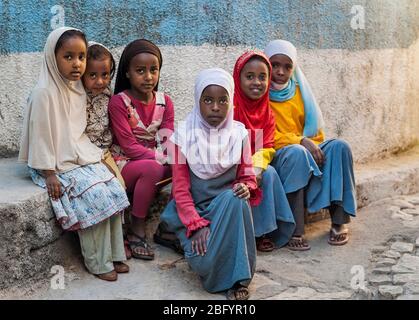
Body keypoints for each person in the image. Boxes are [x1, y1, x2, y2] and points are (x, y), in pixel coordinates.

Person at [18, 27, 130, 281]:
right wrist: (49, 173)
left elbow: (76, 132)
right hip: (51, 163)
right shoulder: (44, 93)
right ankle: (97, 261)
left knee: (112, 185)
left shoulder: (76, 88)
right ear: (52, 58)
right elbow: (41, 137)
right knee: (93, 195)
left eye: (81, 57)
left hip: (75, 154)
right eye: (68, 57)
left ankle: (115, 254)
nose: (77, 63)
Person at [160, 68, 258, 300]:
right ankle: (179, 237)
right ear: (198, 101)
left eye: (223, 100)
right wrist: (196, 225)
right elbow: (181, 190)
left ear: (231, 102)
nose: (216, 107)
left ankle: (239, 280)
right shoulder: (182, 136)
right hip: (194, 215)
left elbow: (247, 176)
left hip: (228, 213)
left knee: (236, 198)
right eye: (208, 100)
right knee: (203, 264)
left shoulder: (239, 134)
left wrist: (247, 186)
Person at [264, 39, 357, 250]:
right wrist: (300, 141)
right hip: (278, 154)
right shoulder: (259, 92)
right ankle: (295, 230)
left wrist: (309, 143)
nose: (280, 71)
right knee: (297, 153)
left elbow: (315, 133)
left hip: (303, 149)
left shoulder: (300, 91)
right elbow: (265, 135)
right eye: (274, 65)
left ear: (294, 68)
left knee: (339, 147)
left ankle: (339, 222)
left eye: (287, 66)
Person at [109, 39, 174, 260]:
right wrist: (161, 158)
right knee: (154, 168)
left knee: (185, 165)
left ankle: (171, 227)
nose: (148, 77)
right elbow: (129, 146)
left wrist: (173, 156)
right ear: (127, 72)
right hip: (122, 164)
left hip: (152, 161)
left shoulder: (165, 102)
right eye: (140, 71)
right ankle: (137, 227)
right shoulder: (119, 102)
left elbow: (167, 138)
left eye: (153, 70)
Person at [233, 51, 295, 252]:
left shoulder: (267, 112)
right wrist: (245, 167)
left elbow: (267, 145)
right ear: (238, 78)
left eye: (262, 77)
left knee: (268, 173)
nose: (256, 82)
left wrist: (255, 168)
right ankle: (251, 232)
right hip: (229, 162)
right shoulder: (230, 106)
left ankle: (264, 232)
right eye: (249, 77)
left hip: (253, 163)